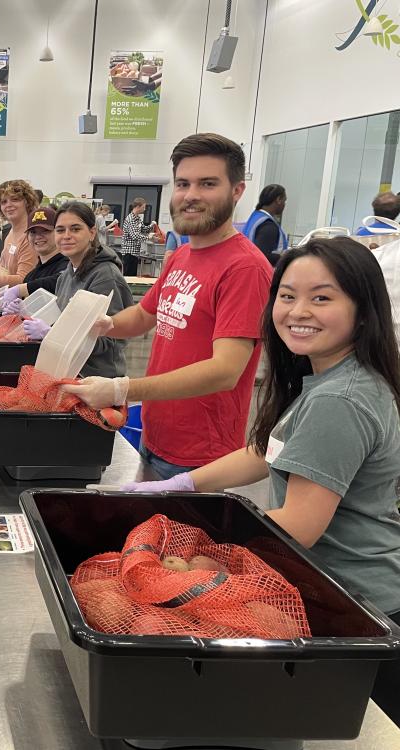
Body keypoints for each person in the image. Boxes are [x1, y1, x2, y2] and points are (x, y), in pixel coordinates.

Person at [120, 236, 400, 725]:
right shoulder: (329, 378)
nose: (297, 311)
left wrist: (204, 550)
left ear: (363, 309)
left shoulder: (340, 399)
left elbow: (298, 526)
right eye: (287, 295)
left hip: (354, 605)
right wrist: (183, 485)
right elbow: (265, 452)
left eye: (322, 297)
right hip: (334, 591)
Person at [63, 133, 273, 479]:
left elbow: (225, 370)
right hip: (155, 433)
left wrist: (123, 389)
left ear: (237, 191)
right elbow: (145, 314)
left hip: (199, 454)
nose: (191, 195)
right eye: (183, 183)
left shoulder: (245, 268)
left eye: (207, 184)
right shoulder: (183, 256)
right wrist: (103, 323)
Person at [7, 203, 132, 378]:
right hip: (66, 369)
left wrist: (51, 334)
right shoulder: (67, 273)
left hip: (95, 378)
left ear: (92, 232)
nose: (66, 236)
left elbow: (112, 340)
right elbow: (63, 319)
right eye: (60, 230)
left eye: (75, 229)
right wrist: (26, 312)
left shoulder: (105, 276)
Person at [0, 206, 69, 298]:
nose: (38, 236)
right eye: (33, 232)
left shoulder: (68, 264)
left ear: (58, 233)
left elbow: (62, 280)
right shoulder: (31, 276)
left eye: (45, 231)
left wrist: (21, 289)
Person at [243, 183, 289, 265]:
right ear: (278, 200)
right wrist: (283, 257)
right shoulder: (268, 226)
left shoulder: (255, 216)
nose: (284, 205)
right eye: (284, 201)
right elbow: (261, 255)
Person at [120, 197, 155, 277]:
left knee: (132, 276)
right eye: (143, 207)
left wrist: (152, 225)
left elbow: (144, 229)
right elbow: (134, 235)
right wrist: (148, 238)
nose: (145, 209)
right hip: (129, 253)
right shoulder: (131, 219)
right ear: (138, 207)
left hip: (135, 253)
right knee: (128, 278)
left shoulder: (138, 218)